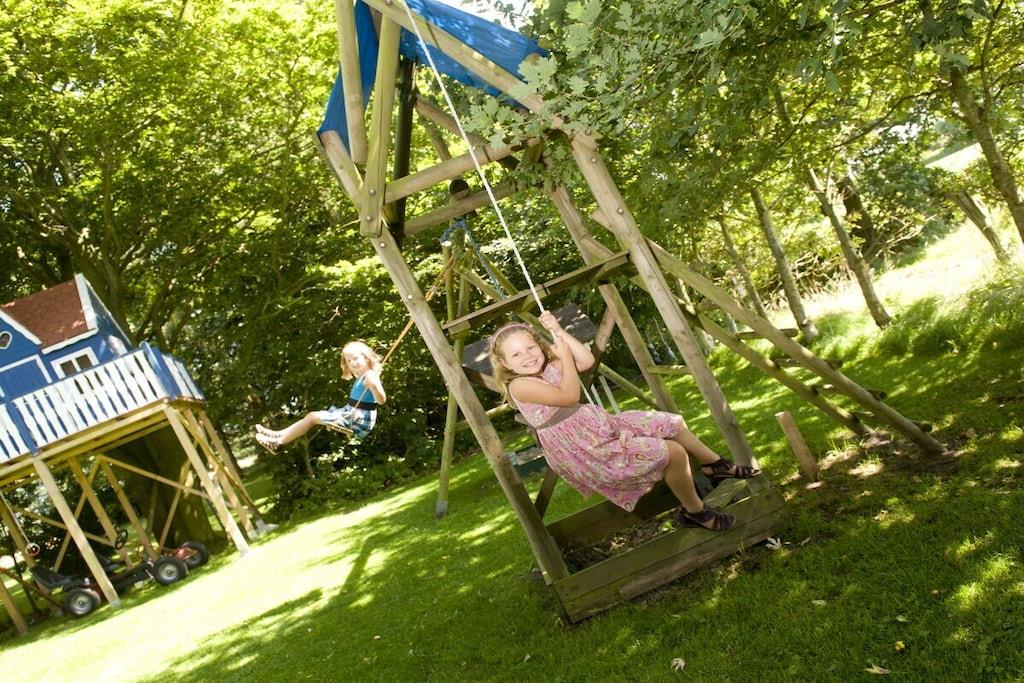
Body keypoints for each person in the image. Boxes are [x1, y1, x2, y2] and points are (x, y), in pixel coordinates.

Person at [489, 312, 759, 531]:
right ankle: (695, 512)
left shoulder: (547, 368)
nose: (527, 356)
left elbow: (586, 360)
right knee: (674, 453)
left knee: (669, 423)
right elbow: (569, 395)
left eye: (530, 347)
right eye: (516, 354)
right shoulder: (520, 386)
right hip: (587, 450)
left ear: (539, 345)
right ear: (504, 363)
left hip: (601, 428)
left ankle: (714, 464)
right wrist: (564, 357)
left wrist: (558, 331)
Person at [255, 341, 386, 452]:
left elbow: (381, 400)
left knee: (312, 417)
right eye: (349, 361)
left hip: (359, 420)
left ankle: (278, 443)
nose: (352, 363)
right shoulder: (362, 375)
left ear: (366, 357)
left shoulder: (370, 376)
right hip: (351, 414)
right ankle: (277, 435)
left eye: (355, 358)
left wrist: (374, 387)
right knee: (311, 416)